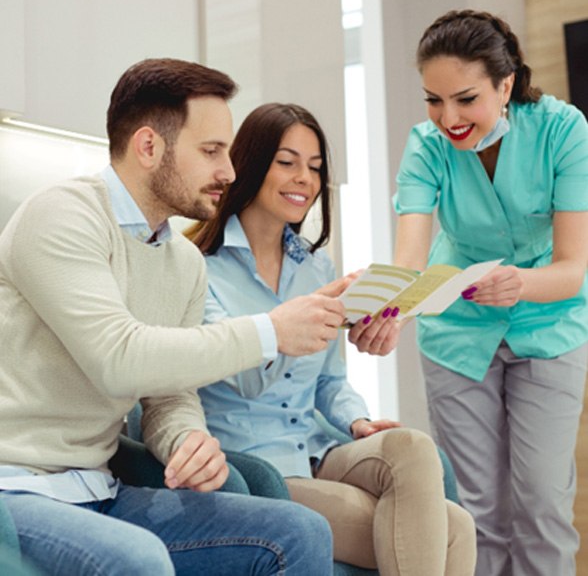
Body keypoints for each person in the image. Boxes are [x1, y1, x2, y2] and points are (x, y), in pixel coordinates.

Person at [0, 58, 344, 575]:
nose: (228, 172)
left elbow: (168, 394)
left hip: (100, 489)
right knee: (137, 560)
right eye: (211, 152)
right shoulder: (61, 217)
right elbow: (119, 359)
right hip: (15, 488)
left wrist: (185, 438)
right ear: (148, 147)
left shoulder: (182, 261)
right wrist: (269, 331)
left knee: (297, 532)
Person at [187, 102, 477, 576]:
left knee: (414, 449)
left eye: (315, 167)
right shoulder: (198, 268)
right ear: (251, 163)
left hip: (319, 448)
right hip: (257, 467)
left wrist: (357, 421)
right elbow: (244, 381)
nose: (304, 177)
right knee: (453, 530)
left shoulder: (315, 267)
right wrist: (299, 318)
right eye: (287, 162)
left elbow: (329, 382)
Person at [392, 9, 588, 576]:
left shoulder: (562, 129)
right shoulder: (425, 147)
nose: (448, 118)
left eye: (465, 99)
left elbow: (573, 268)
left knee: (543, 505)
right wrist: (386, 310)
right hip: (455, 329)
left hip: (549, 323)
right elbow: (409, 259)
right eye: (433, 100)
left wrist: (520, 283)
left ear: (506, 84)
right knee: (476, 512)